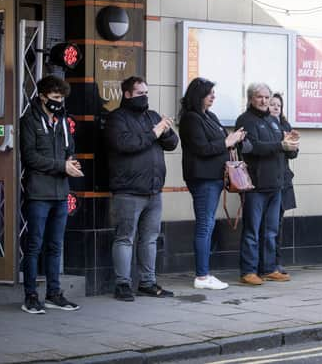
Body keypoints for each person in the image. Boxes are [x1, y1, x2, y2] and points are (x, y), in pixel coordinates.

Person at [106, 76, 179, 301]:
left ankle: (148, 282)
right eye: (140, 93)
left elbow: (172, 143)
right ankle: (123, 284)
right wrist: (154, 132)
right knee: (125, 238)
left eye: (146, 93)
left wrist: (165, 130)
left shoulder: (152, 116)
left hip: (153, 190)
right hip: (128, 190)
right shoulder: (116, 118)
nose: (144, 97)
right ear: (127, 95)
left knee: (149, 238)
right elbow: (125, 144)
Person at [20, 75, 83, 314]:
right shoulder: (29, 120)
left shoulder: (63, 121)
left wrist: (72, 164)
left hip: (60, 192)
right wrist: (62, 166)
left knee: (56, 245)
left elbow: (70, 150)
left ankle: (54, 293)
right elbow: (31, 158)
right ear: (42, 97)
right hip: (38, 193)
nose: (59, 102)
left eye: (62, 98)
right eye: (55, 98)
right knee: (35, 245)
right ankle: (31, 296)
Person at [179, 78, 248, 290]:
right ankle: (202, 276)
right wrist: (227, 142)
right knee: (205, 225)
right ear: (198, 95)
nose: (213, 96)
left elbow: (220, 142)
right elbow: (202, 148)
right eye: (209, 93)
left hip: (214, 178)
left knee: (207, 224)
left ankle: (204, 273)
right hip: (203, 179)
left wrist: (235, 139)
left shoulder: (209, 116)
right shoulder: (191, 119)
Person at [235, 83, 299, 285]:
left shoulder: (273, 121)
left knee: (271, 231)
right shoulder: (245, 120)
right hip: (255, 186)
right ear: (250, 99)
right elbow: (251, 147)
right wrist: (280, 144)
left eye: (266, 97)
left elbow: (286, 149)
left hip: (276, 185)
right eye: (259, 97)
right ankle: (248, 271)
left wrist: (291, 145)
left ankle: (269, 268)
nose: (264, 101)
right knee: (252, 231)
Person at [259, 93, 298, 275]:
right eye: (272, 104)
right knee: (263, 224)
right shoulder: (262, 125)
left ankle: (276, 261)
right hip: (265, 181)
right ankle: (263, 262)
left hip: (283, 180)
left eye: (278, 105)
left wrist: (292, 144)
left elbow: (292, 155)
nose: (275, 107)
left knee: (278, 224)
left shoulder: (285, 126)